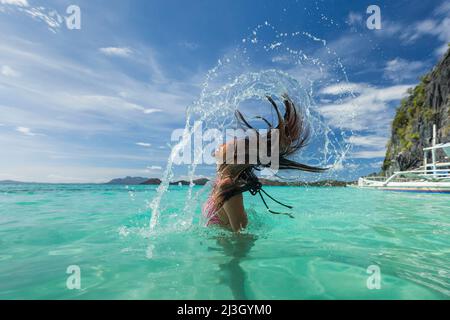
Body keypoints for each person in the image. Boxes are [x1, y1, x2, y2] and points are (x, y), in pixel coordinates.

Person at [203, 94, 327, 232]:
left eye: (225, 146)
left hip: (224, 252)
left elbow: (241, 238)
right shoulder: (222, 182)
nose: (217, 150)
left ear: (235, 159)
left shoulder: (227, 186)